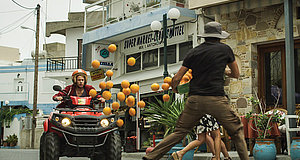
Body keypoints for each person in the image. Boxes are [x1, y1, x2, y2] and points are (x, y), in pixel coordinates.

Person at [143, 21, 248, 160]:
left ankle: (150, 157)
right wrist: (224, 70)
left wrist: (175, 89)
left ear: (205, 36)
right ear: (219, 36)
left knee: (179, 132)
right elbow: (236, 74)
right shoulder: (225, 50)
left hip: (194, 100)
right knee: (236, 130)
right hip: (216, 99)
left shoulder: (193, 52)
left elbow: (177, 78)